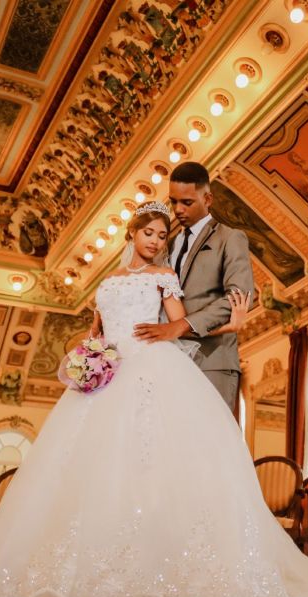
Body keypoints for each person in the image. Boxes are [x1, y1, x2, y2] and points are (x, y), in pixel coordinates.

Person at [0, 203, 308, 597]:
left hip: (151, 365)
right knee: (92, 466)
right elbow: (96, 332)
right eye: (149, 233)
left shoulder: (164, 277)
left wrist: (232, 323)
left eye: (162, 236)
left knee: (153, 462)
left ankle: (155, 564)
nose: (156, 242)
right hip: (107, 374)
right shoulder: (107, 282)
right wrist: (88, 356)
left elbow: (180, 326)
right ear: (131, 234)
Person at [132, 162, 252, 412]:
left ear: (208, 199)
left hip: (212, 363)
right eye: (173, 202)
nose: (178, 210)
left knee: (209, 435)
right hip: (169, 363)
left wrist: (180, 326)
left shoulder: (230, 238)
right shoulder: (167, 244)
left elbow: (238, 296)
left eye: (186, 202)